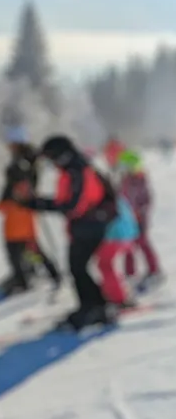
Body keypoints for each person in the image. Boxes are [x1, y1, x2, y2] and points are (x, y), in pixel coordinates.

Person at [15, 135, 118, 329]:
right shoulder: (76, 168)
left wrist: (36, 203)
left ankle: (92, 308)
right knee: (79, 268)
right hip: (88, 224)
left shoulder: (77, 171)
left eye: (52, 158)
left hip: (89, 225)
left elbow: (72, 206)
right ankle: (97, 306)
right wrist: (36, 202)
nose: (52, 164)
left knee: (77, 268)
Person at [0, 140, 62, 295]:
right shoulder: (28, 173)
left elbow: (7, 202)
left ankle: (25, 279)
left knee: (21, 253)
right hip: (23, 222)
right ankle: (47, 273)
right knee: (31, 251)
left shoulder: (17, 175)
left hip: (17, 223)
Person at [117, 149, 162, 283]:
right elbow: (121, 197)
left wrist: (140, 212)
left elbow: (147, 200)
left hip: (139, 219)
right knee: (128, 246)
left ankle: (154, 269)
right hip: (127, 219)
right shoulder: (125, 180)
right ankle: (130, 272)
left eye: (127, 167)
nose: (125, 170)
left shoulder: (140, 181)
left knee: (143, 243)